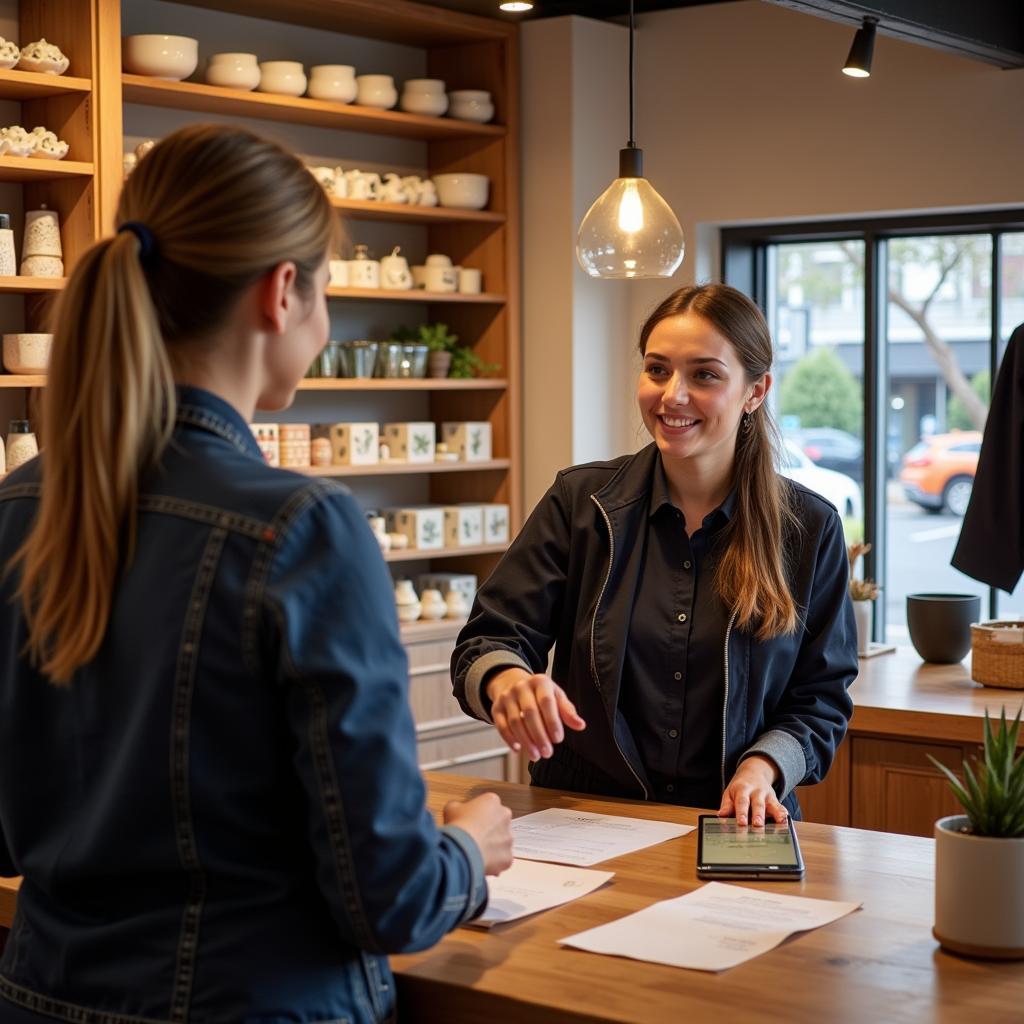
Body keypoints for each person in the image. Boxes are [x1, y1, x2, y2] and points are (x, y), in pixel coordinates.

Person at [0, 124, 513, 1024]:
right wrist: (470, 849)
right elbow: (386, 899)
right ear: (283, 294)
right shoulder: (301, 529)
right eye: (326, 292)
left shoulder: (18, 505)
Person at [453, 284, 856, 827]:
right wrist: (507, 683)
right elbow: (489, 639)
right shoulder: (580, 504)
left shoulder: (809, 527)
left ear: (755, 391)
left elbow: (821, 695)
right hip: (584, 819)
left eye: (704, 375)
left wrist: (762, 767)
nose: (673, 396)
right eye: (658, 370)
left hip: (735, 823)